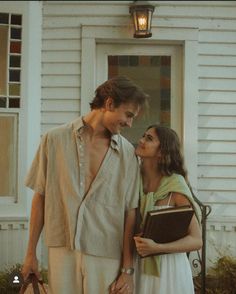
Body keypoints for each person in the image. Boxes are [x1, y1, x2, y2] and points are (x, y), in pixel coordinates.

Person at [22, 76, 148, 294]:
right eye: (128, 115)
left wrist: (127, 270)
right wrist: (31, 253)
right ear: (109, 104)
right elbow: (40, 197)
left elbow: (130, 212)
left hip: (107, 251)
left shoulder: (128, 153)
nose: (130, 123)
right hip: (62, 247)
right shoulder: (54, 139)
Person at [134, 125, 202, 294]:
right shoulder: (133, 181)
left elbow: (196, 240)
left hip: (168, 270)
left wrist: (157, 248)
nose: (141, 140)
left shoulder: (175, 185)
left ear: (162, 152)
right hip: (138, 265)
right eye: (143, 135)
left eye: (149, 138)